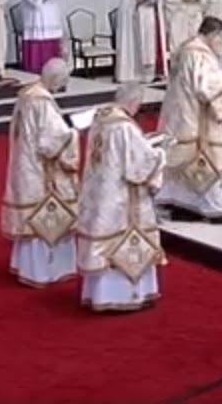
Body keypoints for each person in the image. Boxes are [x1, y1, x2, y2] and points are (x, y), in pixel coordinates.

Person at [77, 82, 166, 312]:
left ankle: (99, 295)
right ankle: (126, 296)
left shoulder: (101, 115)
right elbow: (137, 166)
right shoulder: (124, 126)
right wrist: (159, 154)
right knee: (122, 241)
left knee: (102, 241)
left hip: (99, 192)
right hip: (120, 198)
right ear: (133, 101)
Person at [156, 17, 222, 224]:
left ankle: (182, 204)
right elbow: (207, 87)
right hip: (196, 117)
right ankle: (216, 207)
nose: (220, 43)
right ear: (213, 34)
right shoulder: (200, 55)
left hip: (178, 114)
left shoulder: (186, 48)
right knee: (209, 158)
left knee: (180, 162)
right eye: (220, 38)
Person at [1, 58, 79, 287]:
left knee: (31, 221)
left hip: (24, 166)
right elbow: (51, 141)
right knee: (45, 219)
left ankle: (26, 266)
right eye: (64, 81)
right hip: (41, 173)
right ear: (56, 79)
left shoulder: (27, 94)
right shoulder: (42, 102)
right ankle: (44, 271)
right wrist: (73, 133)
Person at [115, 0, 164, 84]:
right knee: (135, 48)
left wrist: (151, 0)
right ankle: (132, 74)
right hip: (134, 22)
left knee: (148, 47)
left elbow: (158, 0)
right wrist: (136, 2)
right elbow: (125, 6)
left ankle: (147, 75)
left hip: (148, 19)